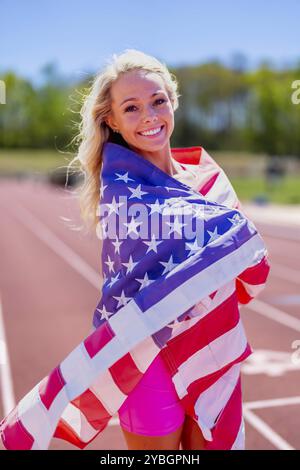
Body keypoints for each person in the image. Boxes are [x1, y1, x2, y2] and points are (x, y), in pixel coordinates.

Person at [0, 49, 270, 451]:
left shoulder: (210, 177)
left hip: (213, 342)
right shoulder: (123, 192)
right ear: (112, 120)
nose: (149, 116)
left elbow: (236, 257)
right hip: (145, 357)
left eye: (158, 101)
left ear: (172, 102)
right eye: (132, 107)